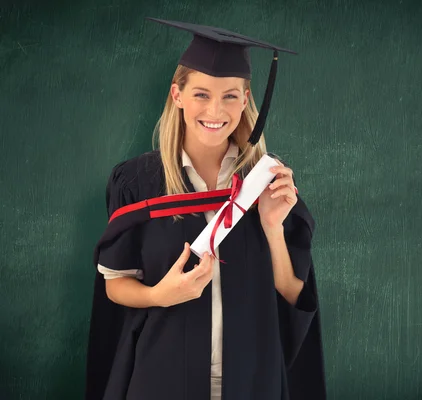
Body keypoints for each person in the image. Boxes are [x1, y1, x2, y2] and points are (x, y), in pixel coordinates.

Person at [85, 18, 326, 400]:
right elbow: (114, 284)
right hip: (162, 376)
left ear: (246, 99)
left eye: (230, 95)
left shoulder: (267, 182)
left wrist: (273, 227)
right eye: (201, 94)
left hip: (251, 379)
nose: (216, 109)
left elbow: (294, 294)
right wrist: (160, 295)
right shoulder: (138, 182)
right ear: (177, 95)